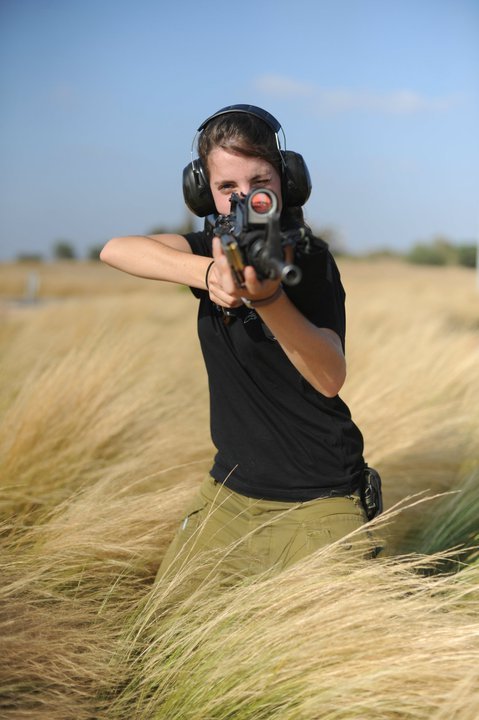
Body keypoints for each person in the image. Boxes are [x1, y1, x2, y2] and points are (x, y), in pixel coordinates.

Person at [100, 104, 379, 586]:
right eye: (227, 186)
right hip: (227, 493)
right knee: (164, 627)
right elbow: (116, 249)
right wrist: (209, 273)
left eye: (260, 181)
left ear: (287, 182)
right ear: (202, 192)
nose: (244, 197)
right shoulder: (210, 245)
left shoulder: (309, 258)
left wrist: (268, 300)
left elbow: (330, 377)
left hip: (317, 498)